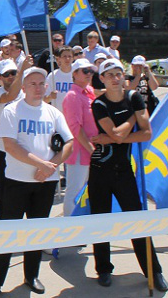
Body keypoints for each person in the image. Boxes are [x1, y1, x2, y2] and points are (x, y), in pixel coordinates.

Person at [0, 67, 74, 298]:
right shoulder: (12, 110)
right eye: (32, 83)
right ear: (23, 87)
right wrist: (40, 164)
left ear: (47, 87)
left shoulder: (53, 113)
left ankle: (31, 275)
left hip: (45, 182)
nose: (37, 87)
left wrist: (50, 166)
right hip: (17, 181)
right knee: (7, 232)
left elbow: (68, 143)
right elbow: (11, 146)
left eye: (41, 83)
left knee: (37, 230)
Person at [88, 58, 168, 292]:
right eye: (109, 74)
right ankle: (103, 268)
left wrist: (117, 135)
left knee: (137, 221)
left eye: (118, 73)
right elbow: (117, 134)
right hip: (100, 170)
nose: (115, 78)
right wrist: (132, 119)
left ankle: (154, 271)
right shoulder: (99, 104)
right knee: (100, 220)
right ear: (101, 78)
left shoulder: (133, 98)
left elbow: (146, 134)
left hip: (123, 171)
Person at [0, 57, 32, 219]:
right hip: (3, 151)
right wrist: (22, 71)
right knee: (2, 193)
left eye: (13, 73)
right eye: (6, 74)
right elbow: (11, 95)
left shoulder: (25, 93)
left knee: (22, 193)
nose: (11, 77)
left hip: (23, 151)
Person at [62, 58, 99, 217]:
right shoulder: (72, 96)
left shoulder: (89, 92)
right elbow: (75, 127)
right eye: (85, 71)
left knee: (87, 191)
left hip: (91, 151)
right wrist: (91, 149)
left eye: (90, 71)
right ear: (74, 74)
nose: (88, 74)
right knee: (74, 192)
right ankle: (70, 229)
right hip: (79, 152)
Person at [44, 46, 73, 113]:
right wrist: (50, 97)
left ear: (73, 58)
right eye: (64, 56)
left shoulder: (77, 74)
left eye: (70, 56)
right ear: (59, 59)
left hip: (74, 115)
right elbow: (44, 100)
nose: (67, 59)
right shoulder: (52, 76)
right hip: (58, 114)